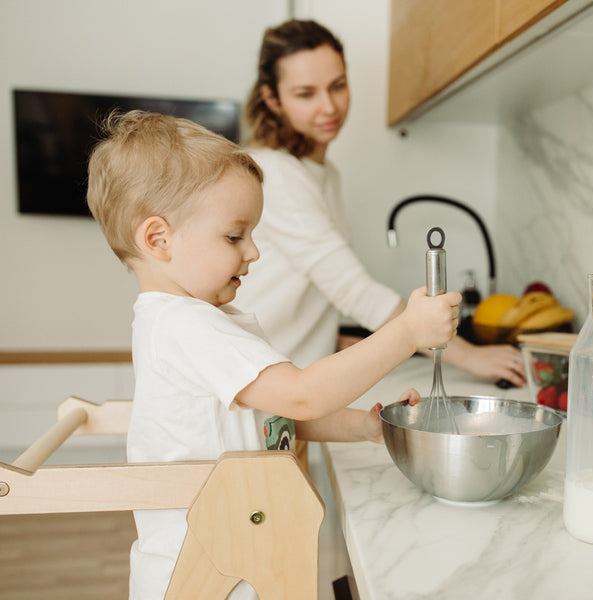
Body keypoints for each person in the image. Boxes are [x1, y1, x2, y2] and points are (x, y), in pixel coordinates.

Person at [86, 110, 460, 600]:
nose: (254, 252)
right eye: (234, 236)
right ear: (158, 239)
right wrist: (407, 330)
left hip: (230, 556)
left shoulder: (187, 320)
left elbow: (267, 417)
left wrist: (360, 426)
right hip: (208, 572)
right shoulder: (187, 325)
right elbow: (301, 397)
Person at [238, 19, 526, 386]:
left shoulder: (321, 173)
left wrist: (334, 340)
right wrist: (468, 355)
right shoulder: (275, 175)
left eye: (337, 86)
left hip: (285, 377)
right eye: (306, 94)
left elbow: (307, 285)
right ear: (272, 98)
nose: (329, 106)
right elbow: (353, 290)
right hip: (262, 386)